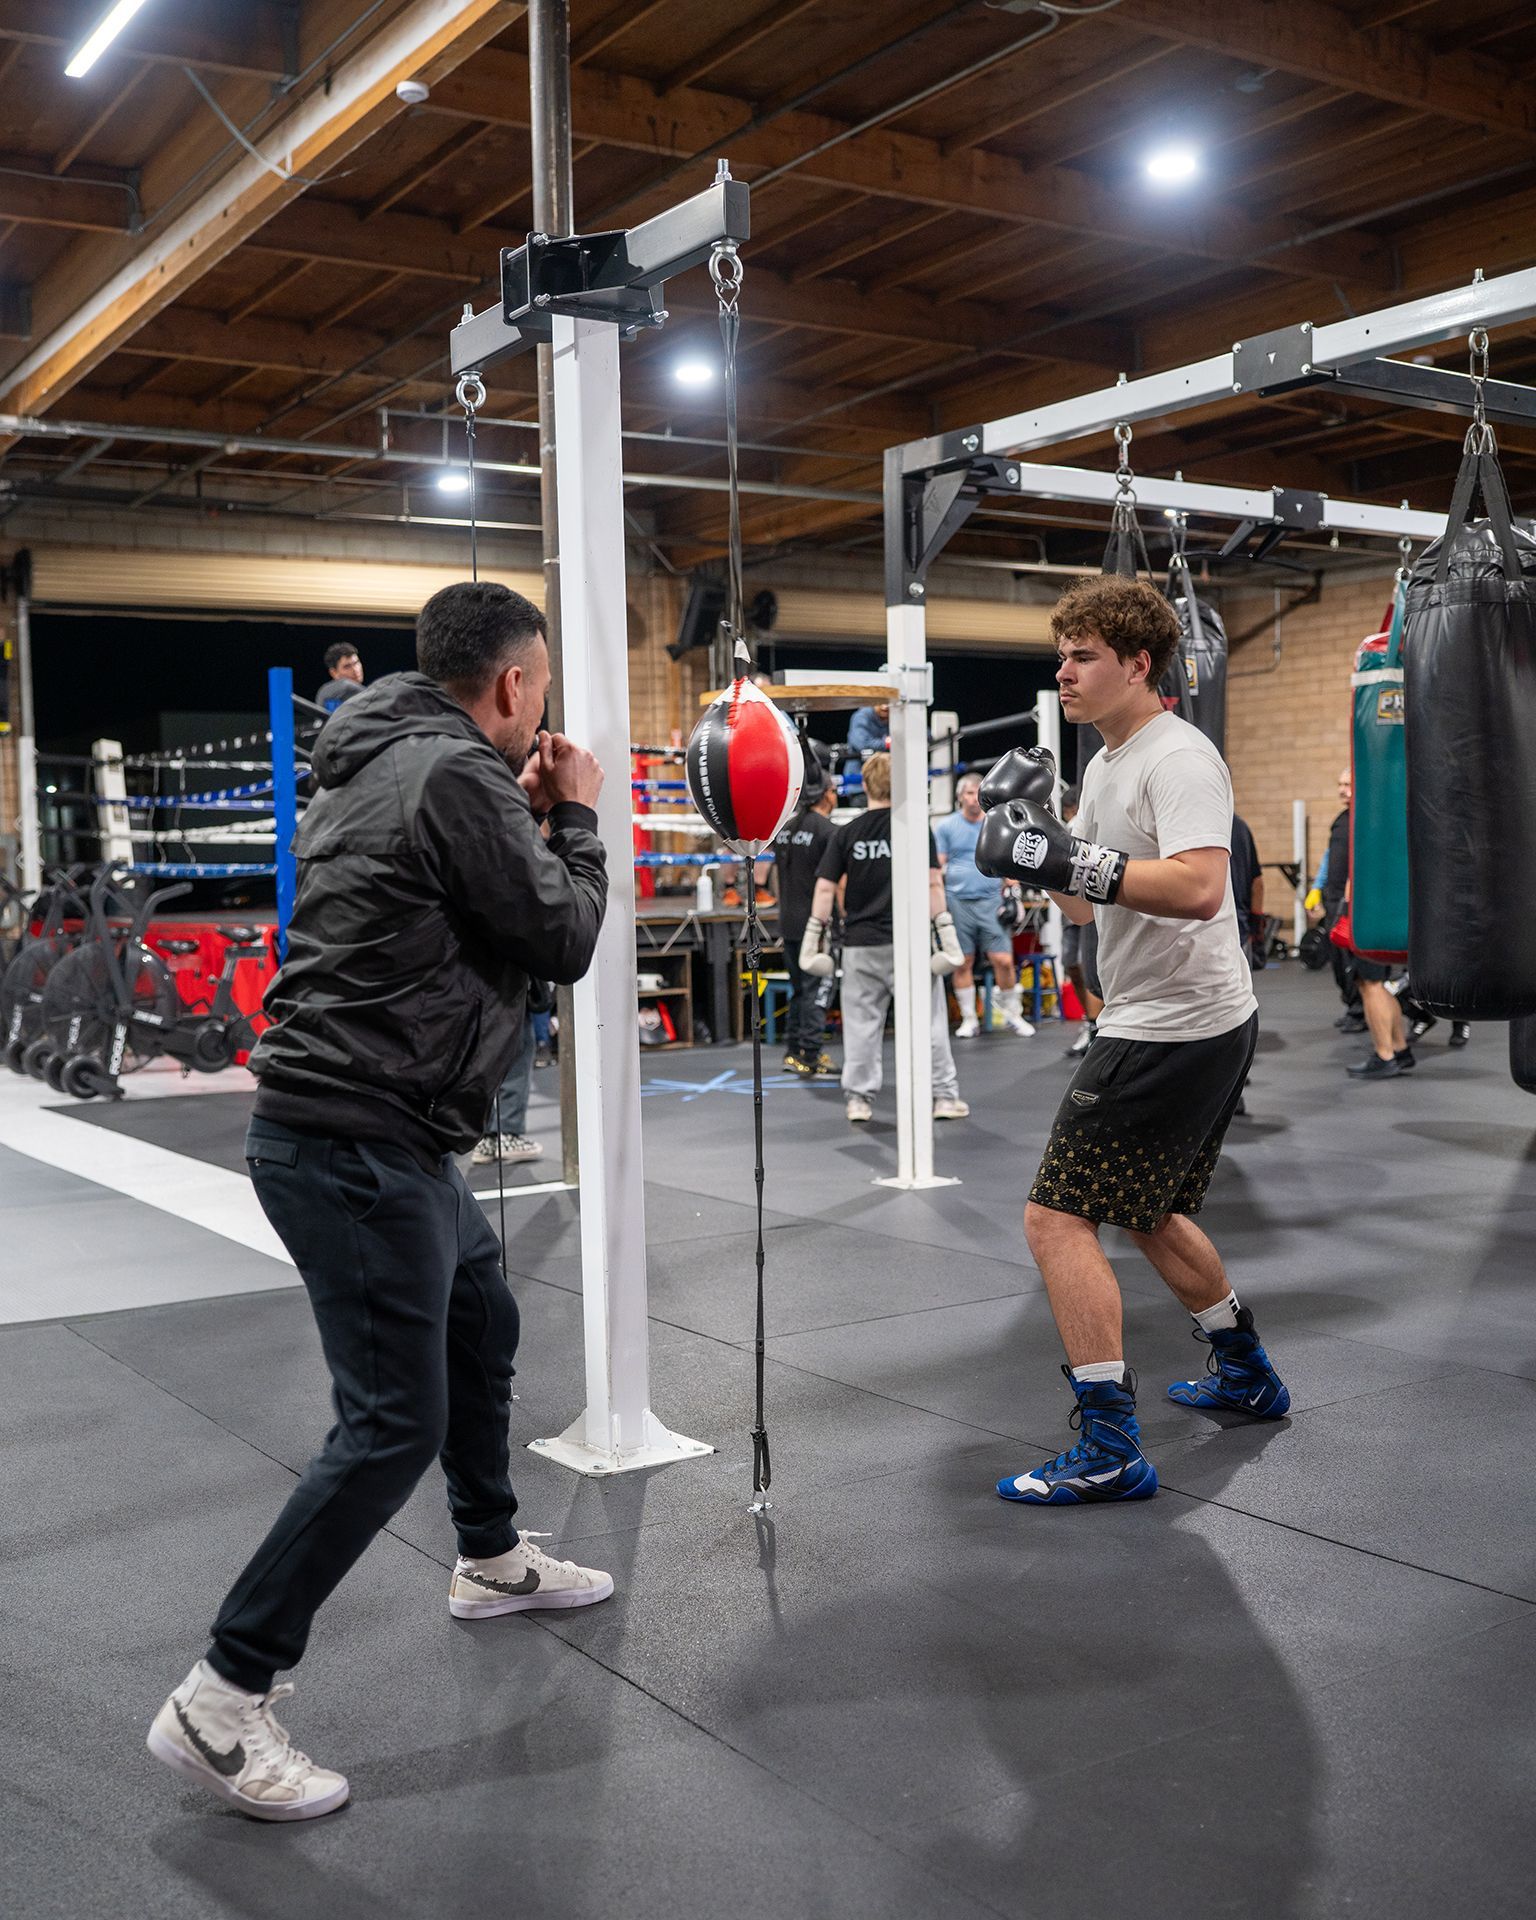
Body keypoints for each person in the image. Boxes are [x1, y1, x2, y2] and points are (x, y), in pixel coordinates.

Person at [148, 582, 613, 1822]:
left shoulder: (379, 757)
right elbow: (563, 936)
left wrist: (523, 818)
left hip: (378, 1132)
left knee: (480, 1308)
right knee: (388, 1422)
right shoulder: (457, 776)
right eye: (544, 685)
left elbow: (453, 905)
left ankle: (491, 1557)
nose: (545, 707)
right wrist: (577, 819)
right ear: (513, 685)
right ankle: (220, 1698)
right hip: (355, 1139)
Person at [976, 575, 1288, 1507]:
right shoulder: (1107, 765)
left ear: (1138, 663)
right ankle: (1245, 1370)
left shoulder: (1177, 758)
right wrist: (1034, 852)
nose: (1063, 674)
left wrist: (1073, 856)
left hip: (1173, 1025)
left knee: (1055, 1217)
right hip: (1181, 1016)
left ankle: (1109, 1444)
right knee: (1145, 1209)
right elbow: (1084, 896)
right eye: (1060, 657)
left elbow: (1200, 888)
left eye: (1083, 658)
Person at [799, 751, 967, 1125]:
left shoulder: (847, 833)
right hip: (909, 943)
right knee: (930, 1022)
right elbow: (932, 881)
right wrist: (946, 932)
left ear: (864, 785)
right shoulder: (913, 828)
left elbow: (826, 890)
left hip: (861, 945)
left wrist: (813, 939)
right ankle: (943, 1097)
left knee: (861, 1026)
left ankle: (858, 1100)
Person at [934, 771, 1035, 1039]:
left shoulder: (994, 824)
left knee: (1002, 960)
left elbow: (1007, 859)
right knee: (962, 961)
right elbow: (938, 866)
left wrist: (1014, 892)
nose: (973, 798)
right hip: (957, 900)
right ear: (960, 797)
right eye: (968, 793)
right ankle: (969, 1019)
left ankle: (1013, 1015)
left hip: (991, 899)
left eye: (976, 793)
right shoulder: (946, 827)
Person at [763, 768, 838, 1076]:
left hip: (788, 918)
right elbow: (833, 882)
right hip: (814, 923)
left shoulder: (785, 828)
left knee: (799, 987)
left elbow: (775, 880)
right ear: (825, 794)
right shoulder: (827, 831)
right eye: (833, 791)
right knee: (815, 988)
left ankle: (794, 1052)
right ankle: (811, 1053)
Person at [1317, 770, 1365, 1033]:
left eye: (1348, 784)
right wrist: (1317, 889)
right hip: (1332, 898)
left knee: (1352, 962)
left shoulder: (1363, 820)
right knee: (1337, 960)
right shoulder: (1341, 821)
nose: (1342, 789)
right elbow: (1328, 859)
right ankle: (1352, 1006)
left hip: (1348, 902)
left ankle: (1360, 1011)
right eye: (1340, 784)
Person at [1058, 783, 1104, 1058]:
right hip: (1071, 909)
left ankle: (1095, 1027)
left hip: (1094, 906)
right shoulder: (1064, 830)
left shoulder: (1088, 828)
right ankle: (1090, 1021)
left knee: (1091, 968)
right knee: (1070, 964)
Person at [314, 642, 364, 714]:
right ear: (334, 673)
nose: (355, 670)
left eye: (356, 663)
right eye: (347, 667)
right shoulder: (329, 695)